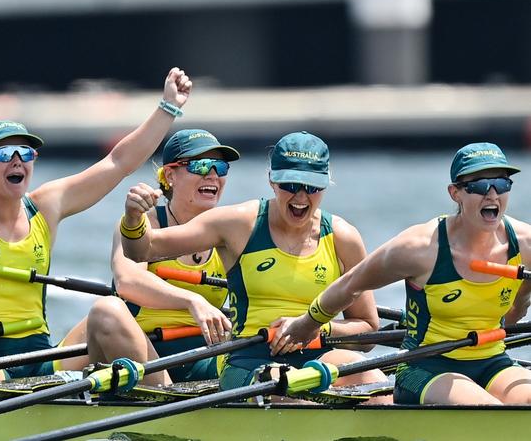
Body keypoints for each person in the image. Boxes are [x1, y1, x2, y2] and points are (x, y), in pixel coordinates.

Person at [0, 67, 192, 381]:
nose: (17, 160)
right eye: (4, 153)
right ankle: (3, 399)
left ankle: (165, 397)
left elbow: (117, 162)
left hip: (45, 360)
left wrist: (168, 107)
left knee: (109, 310)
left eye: (25, 152)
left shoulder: (46, 206)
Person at [120, 131, 387, 390]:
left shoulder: (343, 237)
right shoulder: (238, 224)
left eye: (312, 186)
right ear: (272, 180)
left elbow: (367, 331)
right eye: (290, 185)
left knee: (375, 383)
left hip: (318, 356)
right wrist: (133, 219)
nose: (301, 197)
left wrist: (317, 326)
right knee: (287, 387)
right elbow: (141, 251)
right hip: (250, 361)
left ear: (326, 184)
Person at [274, 142, 531, 404]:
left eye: (501, 184)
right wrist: (308, 323)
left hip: (493, 361)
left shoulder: (525, 243)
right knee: (486, 409)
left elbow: (517, 308)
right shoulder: (418, 248)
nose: (491, 195)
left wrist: (518, 306)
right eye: (478, 186)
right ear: (455, 193)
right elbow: (351, 283)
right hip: (425, 366)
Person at [86, 129, 239, 385]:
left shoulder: (230, 231)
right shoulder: (143, 224)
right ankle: (162, 395)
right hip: (144, 355)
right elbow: (128, 281)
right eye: (201, 165)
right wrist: (192, 300)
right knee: (106, 310)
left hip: (205, 357)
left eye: (220, 167)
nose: (212, 174)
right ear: (170, 175)